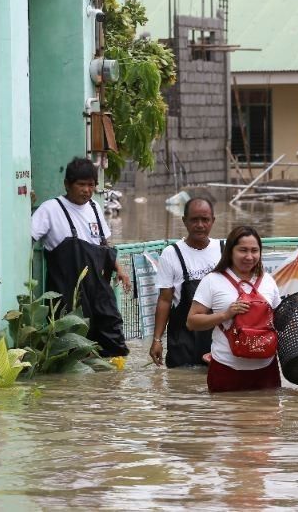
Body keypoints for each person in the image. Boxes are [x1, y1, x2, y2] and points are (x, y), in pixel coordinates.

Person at [30, 157, 130, 357]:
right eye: (81, 184)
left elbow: (105, 245)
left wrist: (119, 269)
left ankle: (110, 388)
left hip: (100, 294)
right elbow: (26, 242)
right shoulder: (50, 209)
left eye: (91, 185)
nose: (87, 190)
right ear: (67, 184)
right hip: (69, 297)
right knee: (72, 352)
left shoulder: (95, 208)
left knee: (114, 348)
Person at [185, 226, 282, 392]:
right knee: (225, 417)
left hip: (266, 369)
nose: (249, 256)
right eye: (243, 250)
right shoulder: (212, 281)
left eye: (254, 250)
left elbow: (280, 319)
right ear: (230, 251)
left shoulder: (268, 280)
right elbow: (192, 322)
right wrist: (225, 314)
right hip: (226, 368)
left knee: (268, 416)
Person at [149, 197, 222, 368]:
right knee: (181, 385)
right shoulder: (171, 253)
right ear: (184, 221)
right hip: (182, 338)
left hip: (218, 338)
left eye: (205, 220)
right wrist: (157, 339)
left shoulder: (224, 250)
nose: (200, 225)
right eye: (194, 219)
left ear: (213, 221)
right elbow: (165, 300)